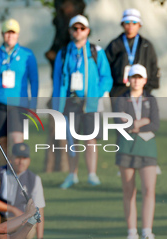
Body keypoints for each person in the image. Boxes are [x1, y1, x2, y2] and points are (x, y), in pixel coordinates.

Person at [53, 14, 113, 189]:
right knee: (73, 140)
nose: (78, 31)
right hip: (70, 101)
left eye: (82, 28)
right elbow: (58, 80)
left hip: (90, 102)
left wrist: (96, 93)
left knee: (90, 138)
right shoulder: (64, 53)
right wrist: (58, 105)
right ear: (71, 31)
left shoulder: (96, 51)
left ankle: (92, 174)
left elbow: (106, 77)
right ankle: (72, 175)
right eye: (75, 28)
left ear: (87, 31)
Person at [0, 18, 39, 164]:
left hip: (19, 104)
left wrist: (33, 103)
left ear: (17, 35)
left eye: (13, 33)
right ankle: (3, 176)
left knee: (17, 141)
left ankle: (19, 176)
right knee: (2, 142)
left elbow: (34, 81)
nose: (10, 36)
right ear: (2, 34)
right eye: (7, 33)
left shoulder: (27, 55)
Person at [114, 65, 161, 239]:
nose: (136, 80)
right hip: (126, 147)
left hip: (147, 147)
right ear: (129, 79)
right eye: (133, 77)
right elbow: (119, 122)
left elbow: (155, 123)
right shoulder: (121, 100)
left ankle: (147, 233)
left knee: (149, 190)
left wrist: (135, 124)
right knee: (129, 191)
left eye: (139, 77)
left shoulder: (151, 99)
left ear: (145, 80)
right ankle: (131, 233)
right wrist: (141, 122)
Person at [0, 143, 45, 239]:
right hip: (0, 219)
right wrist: (13, 209)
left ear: (29, 160)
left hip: (19, 221)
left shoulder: (35, 179)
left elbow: (39, 210)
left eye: (24, 158)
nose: (21, 162)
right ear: (11, 158)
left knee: (31, 225)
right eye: (18, 158)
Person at [105, 8, 160, 99]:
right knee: (120, 113)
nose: (130, 26)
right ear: (122, 24)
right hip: (118, 90)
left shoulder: (146, 45)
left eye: (134, 23)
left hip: (141, 89)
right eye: (127, 22)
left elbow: (153, 67)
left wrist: (148, 88)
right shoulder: (115, 44)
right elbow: (105, 67)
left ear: (139, 25)